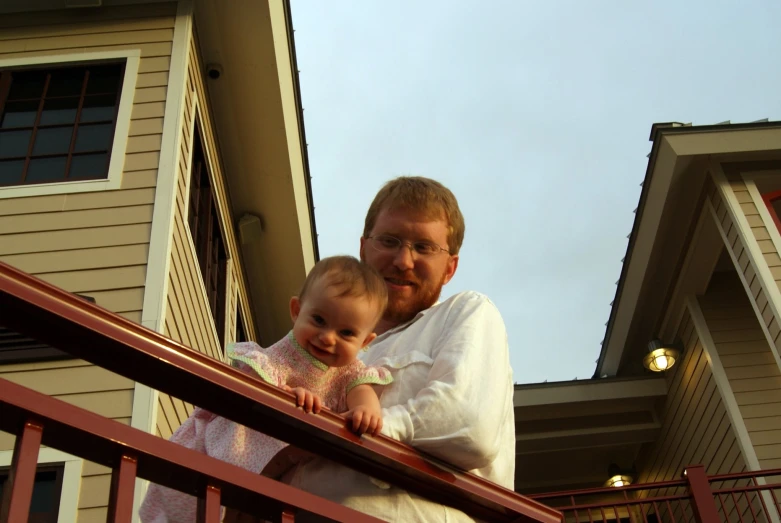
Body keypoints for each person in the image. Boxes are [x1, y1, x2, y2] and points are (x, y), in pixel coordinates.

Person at [284, 176, 516, 522]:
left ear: (450, 267)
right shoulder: (319, 346)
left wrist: (367, 426)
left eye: (424, 247)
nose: (404, 260)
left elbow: (468, 426)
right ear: (364, 249)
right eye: (390, 241)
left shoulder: (466, 312)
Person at [139, 256, 394, 523]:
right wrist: (287, 394)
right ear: (296, 310)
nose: (328, 337)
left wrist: (367, 409)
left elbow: (361, 390)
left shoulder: (349, 369)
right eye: (318, 320)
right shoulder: (288, 352)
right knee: (190, 498)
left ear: (365, 341)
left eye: (346, 333)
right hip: (238, 441)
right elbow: (261, 380)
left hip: (273, 469)